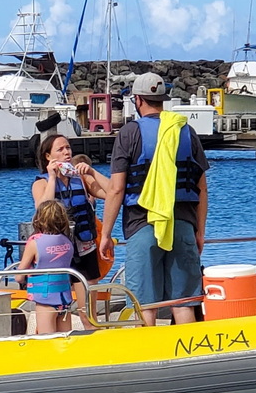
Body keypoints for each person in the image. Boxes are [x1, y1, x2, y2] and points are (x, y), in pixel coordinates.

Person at [98, 72, 209, 326]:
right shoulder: (186, 131)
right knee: (183, 303)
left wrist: (106, 234)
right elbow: (201, 189)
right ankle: (189, 358)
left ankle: (149, 357)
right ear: (163, 100)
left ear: (138, 100)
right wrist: (199, 231)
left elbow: (115, 189)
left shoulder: (128, 134)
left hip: (142, 225)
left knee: (144, 304)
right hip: (182, 226)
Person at [31, 133, 111, 281]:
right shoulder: (41, 183)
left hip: (84, 246)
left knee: (87, 295)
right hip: (57, 247)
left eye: (68, 148)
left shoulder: (80, 179)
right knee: (61, 294)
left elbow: (112, 193)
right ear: (48, 156)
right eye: (60, 149)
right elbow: (42, 208)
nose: (66, 152)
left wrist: (92, 172)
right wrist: (53, 177)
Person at [17, 199, 77, 334]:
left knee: (47, 341)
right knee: (64, 342)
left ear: (39, 219)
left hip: (45, 300)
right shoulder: (67, 242)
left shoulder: (35, 243)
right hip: (65, 299)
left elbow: (19, 277)